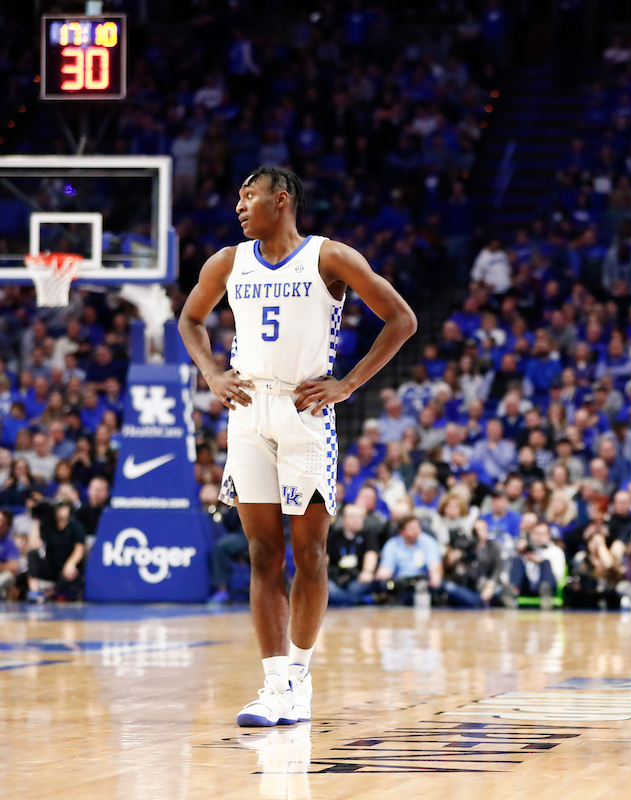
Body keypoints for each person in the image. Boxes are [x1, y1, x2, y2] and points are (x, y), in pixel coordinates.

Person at [179, 166, 417, 728]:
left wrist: (349, 383)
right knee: (263, 553)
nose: (239, 205)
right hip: (246, 413)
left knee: (308, 554)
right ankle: (273, 685)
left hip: (305, 411)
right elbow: (190, 319)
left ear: (280, 200)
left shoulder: (329, 257)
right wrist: (212, 375)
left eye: (249, 195)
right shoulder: (227, 262)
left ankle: (301, 677)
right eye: (237, 196)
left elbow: (402, 319)